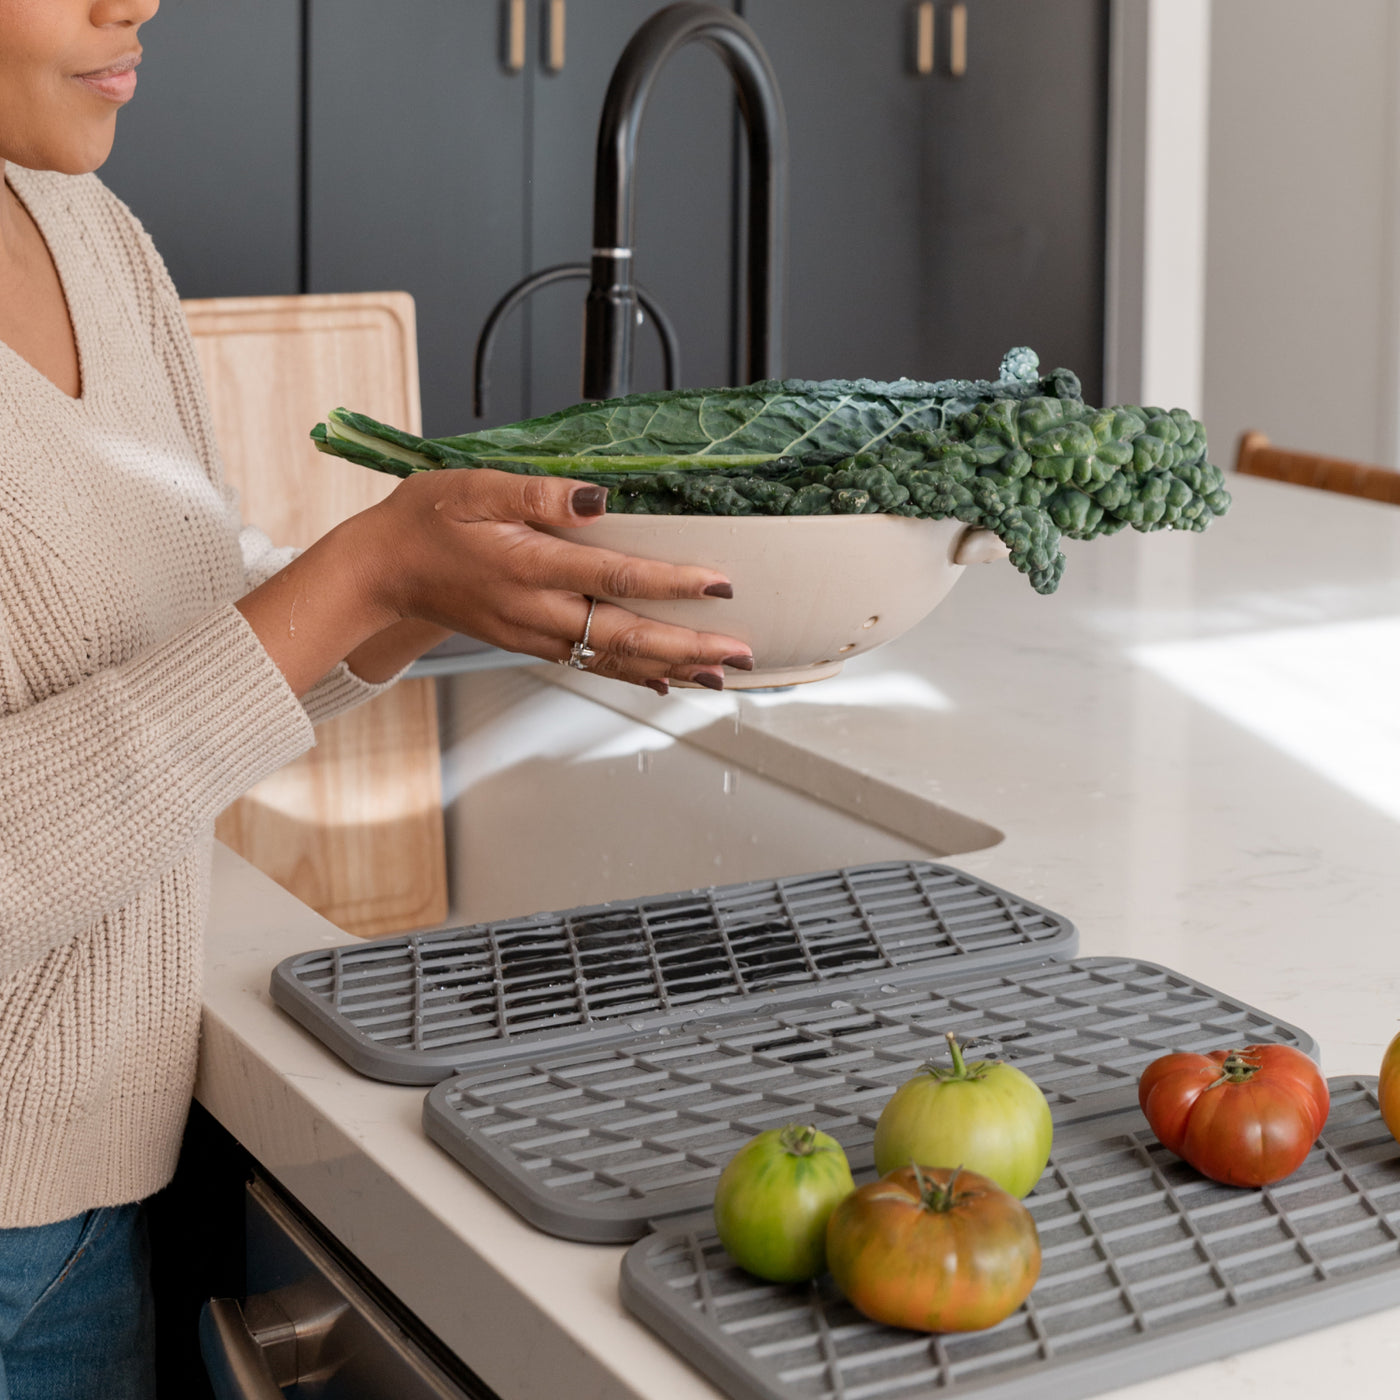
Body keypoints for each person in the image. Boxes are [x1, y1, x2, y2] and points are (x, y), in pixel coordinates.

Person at [0, 2, 755, 1394]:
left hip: (115, 1181)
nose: (138, 3)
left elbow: (170, 612)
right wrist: (356, 583)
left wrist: (418, 592)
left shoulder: (89, 230)